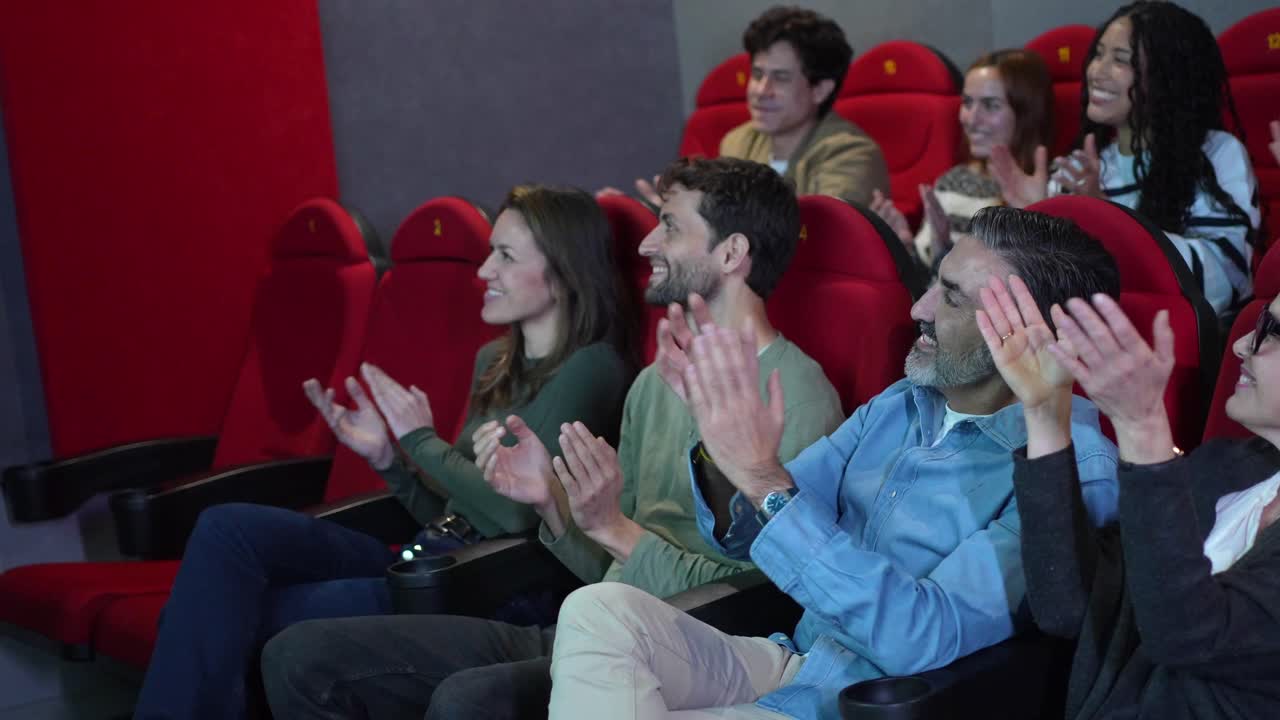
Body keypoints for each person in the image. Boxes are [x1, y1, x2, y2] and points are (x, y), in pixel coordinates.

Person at [260, 157, 845, 720]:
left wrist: (615, 531)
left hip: (693, 648)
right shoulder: (651, 384)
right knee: (298, 657)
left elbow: (764, 595)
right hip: (594, 624)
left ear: (731, 252)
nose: (645, 245)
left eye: (668, 226)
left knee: (468, 700)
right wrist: (557, 504)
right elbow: (608, 566)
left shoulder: (797, 394)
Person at [546, 206, 1123, 720]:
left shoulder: (1068, 465)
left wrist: (764, 480)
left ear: (1034, 334)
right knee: (598, 610)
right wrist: (726, 451)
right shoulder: (899, 402)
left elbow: (919, 635)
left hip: (871, 701)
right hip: (796, 663)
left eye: (951, 297)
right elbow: (749, 535)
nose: (918, 308)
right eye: (932, 284)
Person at [130, 185, 635, 720]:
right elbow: (456, 511)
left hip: (484, 584)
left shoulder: (592, 366)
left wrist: (419, 441)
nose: (484, 271)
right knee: (225, 529)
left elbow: (514, 510)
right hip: (426, 555)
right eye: (489, 252)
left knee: (216, 619)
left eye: (505, 256)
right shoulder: (494, 361)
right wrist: (388, 461)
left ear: (563, 271)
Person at [977, 275, 1280, 719]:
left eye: (1271, 333)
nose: (1240, 347)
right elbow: (1069, 605)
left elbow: (1189, 635)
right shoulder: (1226, 466)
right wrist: (1045, 412)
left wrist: (1143, 428)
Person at [989, 1, 1259, 318]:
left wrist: (1108, 220)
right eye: (1098, 54)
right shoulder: (1087, 166)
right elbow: (1053, 289)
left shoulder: (1216, 154)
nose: (1096, 71)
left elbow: (1226, 280)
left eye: (1120, 60)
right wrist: (1033, 219)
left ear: (1166, 76)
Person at [604, 6, 888, 208]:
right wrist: (664, 215)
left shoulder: (852, 154)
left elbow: (815, 238)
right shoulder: (738, 141)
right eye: (757, 74)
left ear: (820, 89)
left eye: (780, 78)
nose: (761, 91)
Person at [871, 49, 1053, 270]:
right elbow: (930, 290)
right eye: (967, 103)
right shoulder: (953, 182)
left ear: (1026, 113)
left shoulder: (1055, 187)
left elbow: (1050, 285)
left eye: (990, 105)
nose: (971, 119)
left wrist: (1034, 215)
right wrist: (904, 247)